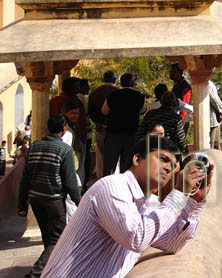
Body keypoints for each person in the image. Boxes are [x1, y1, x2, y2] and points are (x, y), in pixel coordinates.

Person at [41, 134, 209, 278]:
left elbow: (173, 243)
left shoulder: (143, 205)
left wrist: (196, 202)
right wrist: (179, 192)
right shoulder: (113, 187)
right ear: (137, 159)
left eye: (172, 166)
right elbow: (137, 237)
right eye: (163, 159)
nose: (168, 168)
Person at [17, 114, 81, 278]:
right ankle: (37, 272)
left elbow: (25, 178)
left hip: (36, 199)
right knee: (57, 239)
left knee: (48, 238)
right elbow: (70, 182)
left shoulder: (34, 146)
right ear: (64, 128)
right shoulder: (64, 150)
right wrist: (79, 203)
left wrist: (21, 205)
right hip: (54, 200)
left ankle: (50, 271)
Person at [102, 74, 147, 175]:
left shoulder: (112, 96)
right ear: (132, 83)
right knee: (128, 165)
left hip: (113, 134)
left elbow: (104, 111)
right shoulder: (139, 96)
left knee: (110, 166)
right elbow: (143, 111)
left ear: (121, 82)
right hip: (131, 135)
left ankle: (108, 189)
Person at [87, 71, 119, 182]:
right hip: (115, 130)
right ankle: (113, 181)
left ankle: (101, 181)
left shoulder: (94, 93)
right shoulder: (118, 92)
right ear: (114, 80)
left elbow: (90, 112)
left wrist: (98, 123)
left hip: (100, 128)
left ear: (102, 79)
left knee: (100, 155)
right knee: (115, 156)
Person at [207, 80, 222, 145]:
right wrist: (220, 110)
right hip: (211, 118)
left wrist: (220, 110)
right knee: (212, 143)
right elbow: (214, 99)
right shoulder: (208, 83)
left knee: (214, 143)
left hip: (213, 117)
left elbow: (215, 100)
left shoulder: (209, 84)